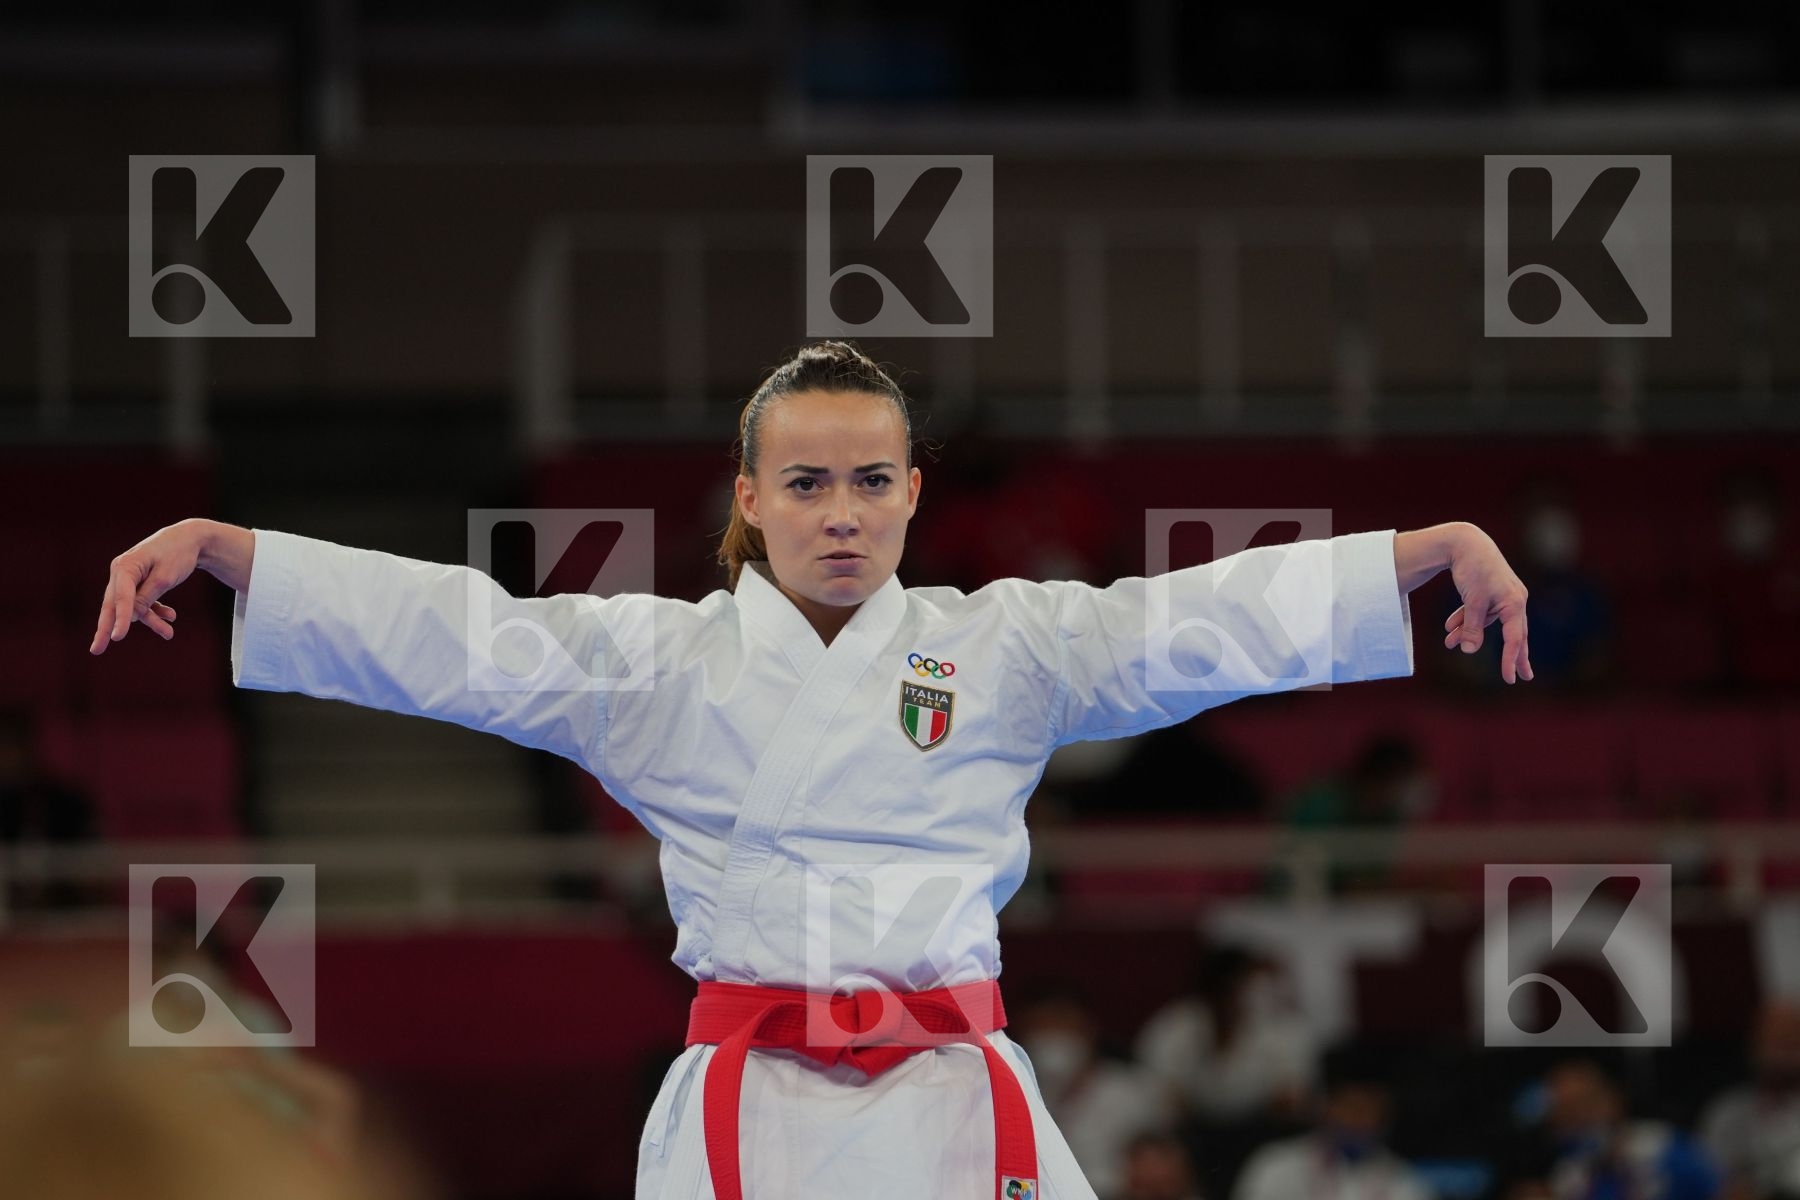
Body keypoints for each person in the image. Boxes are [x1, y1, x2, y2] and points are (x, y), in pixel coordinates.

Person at [88, 340, 1534, 1200]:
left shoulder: (1009, 648)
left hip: (958, 1095)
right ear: (749, 498)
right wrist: (237, 555)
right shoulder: (657, 667)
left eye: (867, 481)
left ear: (912, 491)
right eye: (805, 482)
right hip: (751, 1105)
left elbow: (1196, 625)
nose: (838, 514)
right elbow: (460, 636)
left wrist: (1415, 558)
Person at [1015, 984, 1175, 1198]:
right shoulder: (1016, 1093)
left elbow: (1158, 1172)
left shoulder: (1132, 1092)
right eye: (1040, 1027)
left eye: (1061, 1025)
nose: (1051, 1036)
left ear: (1088, 1030)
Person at [1230, 1044, 1433, 1200]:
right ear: (1326, 1106)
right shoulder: (1275, 1168)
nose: (1361, 1121)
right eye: (1352, 1108)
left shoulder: (1406, 1184)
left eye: (1372, 1111)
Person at [1539, 1057, 1720, 1200]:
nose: (1578, 1119)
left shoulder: (1665, 1147)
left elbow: (1726, 1192)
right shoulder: (1568, 1172)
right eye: (1564, 1111)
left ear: (1614, 1100)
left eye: (1584, 1105)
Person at [1699, 998, 1800, 1200]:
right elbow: (1707, 1178)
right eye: (1771, 1038)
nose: (1779, 1051)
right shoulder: (1725, 1112)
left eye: (1789, 1038)